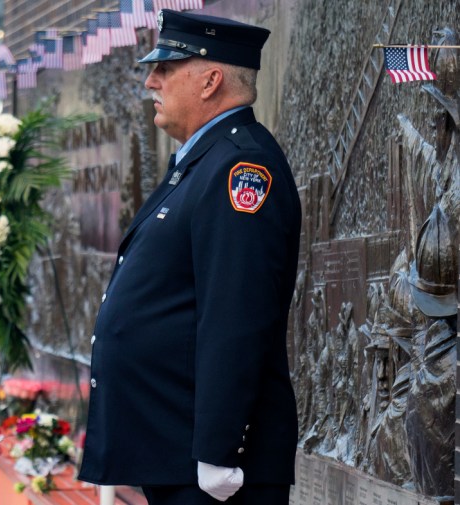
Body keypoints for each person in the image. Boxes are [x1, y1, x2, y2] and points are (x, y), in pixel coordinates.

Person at [77, 10, 300, 505]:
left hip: (208, 464)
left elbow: (236, 313)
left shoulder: (242, 167)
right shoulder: (202, 162)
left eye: (166, 69)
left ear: (210, 80)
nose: (150, 80)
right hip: (172, 445)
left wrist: (220, 447)